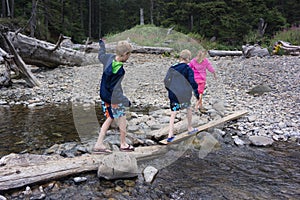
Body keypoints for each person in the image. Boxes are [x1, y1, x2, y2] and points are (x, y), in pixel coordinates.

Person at [93, 39, 134, 153]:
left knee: (116, 116)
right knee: (115, 117)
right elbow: (114, 89)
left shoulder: (109, 58)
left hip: (105, 95)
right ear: (125, 54)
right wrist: (125, 100)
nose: (129, 57)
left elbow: (101, 55)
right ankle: (102, 144)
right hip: (112, 97)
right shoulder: (119, 70)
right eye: (129, 55)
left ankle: (119, 143)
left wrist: (102, 44)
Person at [164, 49, 200, 143]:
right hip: (184, 95)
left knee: (173, 112)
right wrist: (197, 95)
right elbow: (192, 82)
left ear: (180, 57)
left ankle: (170, 134)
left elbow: (166, 80)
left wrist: (170, 90)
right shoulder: (188, 69)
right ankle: (189, 128)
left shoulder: (172, 68)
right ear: (188, 58)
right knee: (188, 108)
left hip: (173, 95)